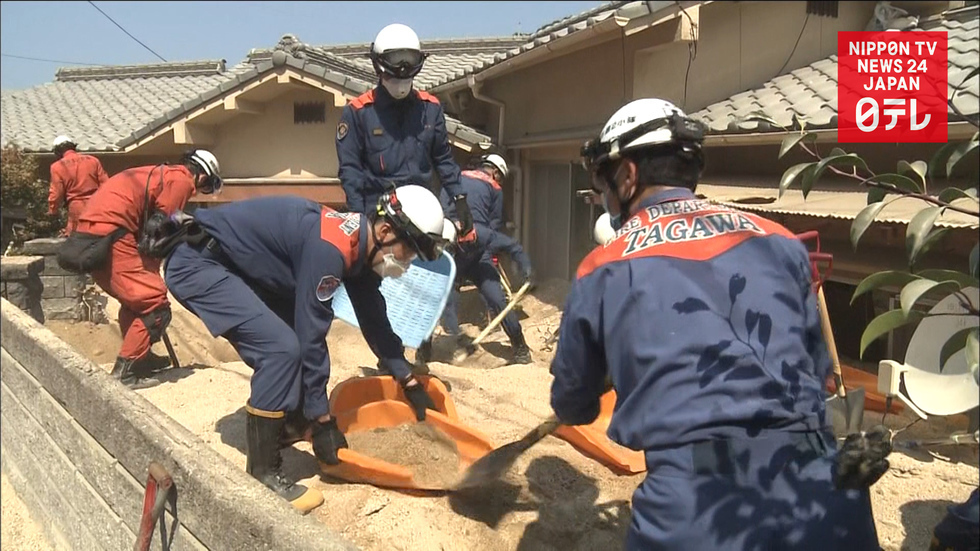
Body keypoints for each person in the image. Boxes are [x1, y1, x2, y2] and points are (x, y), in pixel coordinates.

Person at [548, 98, 881, 550]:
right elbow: (819, 376)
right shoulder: (779, 240)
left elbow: (573, 404)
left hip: (697, 508)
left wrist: (607, 372)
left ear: (627, 175)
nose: (606, 195)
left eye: (605, 181)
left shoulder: (603, 266)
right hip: (826, 498)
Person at [163, 185, 446, 514]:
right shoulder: (331, 248)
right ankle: (264, 472)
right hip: (198, 263)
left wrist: (406, 379)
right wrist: (323, 419)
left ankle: (292, 424)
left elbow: (374, 319)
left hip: (243, 268)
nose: (406, 263)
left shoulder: (361, 249)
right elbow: (312, 336)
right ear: (385, 231)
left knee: (292, 336)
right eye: (408, 252)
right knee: (281, 350)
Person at [335, 22, 476, 375]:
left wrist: (460, 202)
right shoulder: (357, 113)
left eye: (409, 65)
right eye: (394, 66)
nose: (401, 74)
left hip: (419, 213)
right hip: (377, 215)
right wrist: (358, 220)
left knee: (434, 271)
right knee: (370, 288)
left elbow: (444, 160)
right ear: (378, 65)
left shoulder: (430, 109)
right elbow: (350, 171)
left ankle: (423, 345)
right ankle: (389, 355)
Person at [75, 150, 222, 389]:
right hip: (114, 234)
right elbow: (158, 226)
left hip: (94, 235)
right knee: (155, 304)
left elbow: (149, 220)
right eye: (206, 185)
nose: (200, 191)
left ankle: (141, 356)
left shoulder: (156, 174)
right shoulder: (182, 180)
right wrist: (184, 228)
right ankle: (126, 372)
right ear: (203, 175)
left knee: (135, 302)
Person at [416, 154, 533, 366]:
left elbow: (441, 211)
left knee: (487, 298)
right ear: (496, 172)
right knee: (447, 298)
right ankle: (520, 348)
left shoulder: (455, 180)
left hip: (476, 252)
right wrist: (525, 267)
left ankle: (424, 349)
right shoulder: (495, 190)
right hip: (461, 256)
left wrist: (525, 267)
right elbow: (496, 225)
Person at [48, 135, 109, 236]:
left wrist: (52, 210)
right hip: (97, 205)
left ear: (58, 151)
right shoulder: (93, 160)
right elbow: (107, 185)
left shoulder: (57, 167)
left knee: (77, 237)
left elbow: (56, 193)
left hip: (76, 207)